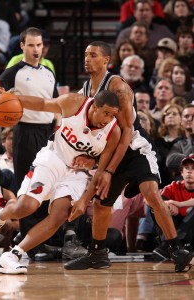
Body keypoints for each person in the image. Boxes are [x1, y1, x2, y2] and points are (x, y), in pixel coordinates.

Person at [64, 41, 194, 273]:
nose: (87, 58)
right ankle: (97, 253)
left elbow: (125, 133)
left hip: (135, 148)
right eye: (85, 54)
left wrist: (108, 171)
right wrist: (90, 159)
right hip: (111, 152)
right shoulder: (84, 90)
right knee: (102, 203)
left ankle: (176, 249)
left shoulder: (118, 86)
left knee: (151, 193)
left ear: (106, 60)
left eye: (93, 55)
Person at [0, 87, 121, 274]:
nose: (107, 120)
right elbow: (41, 104)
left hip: (76, 174)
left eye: (112, 115)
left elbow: (100, 171)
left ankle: (13, 255)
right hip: (53, 158)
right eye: (105, 113)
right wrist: (6, 97)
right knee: (26, 208)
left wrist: (84, 199)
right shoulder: (74, 103)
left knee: (59, 216)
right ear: (94, 106)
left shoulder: (113, 131)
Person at [0, 27, 59, 261]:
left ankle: (47, 240)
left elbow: (56, 104)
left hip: (49, 134)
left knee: (49, 187)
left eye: (39, 45)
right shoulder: (14, 71)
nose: (36, 49)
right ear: (22, 46)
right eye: (32, 45)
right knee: (29, 188)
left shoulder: (49, 72)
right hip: (25, 132)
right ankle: (30, 243)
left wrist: (58, 130)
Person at [153, 154, 194, 260]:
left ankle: (170, 245)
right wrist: (168, 203)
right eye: (186, 168)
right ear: (181, 172)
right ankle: (172, 244)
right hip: (175, 227)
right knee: (157, 207)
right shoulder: (173, 186)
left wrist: (179, 204)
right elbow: (148, 200)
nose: (189, 171)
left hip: (190, 235)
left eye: (193, 168)